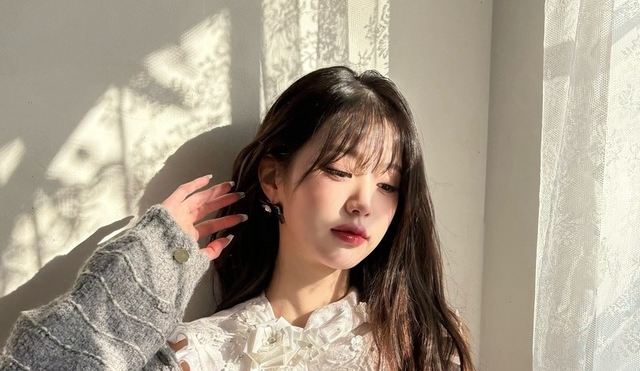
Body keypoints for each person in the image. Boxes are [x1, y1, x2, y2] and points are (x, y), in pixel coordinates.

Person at [0, 66, 474, 370]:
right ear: (272, 178)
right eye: (338, 170)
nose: (363, 202)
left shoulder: (422, 346)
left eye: (388, 184)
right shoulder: (202, 356)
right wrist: (146, 265)